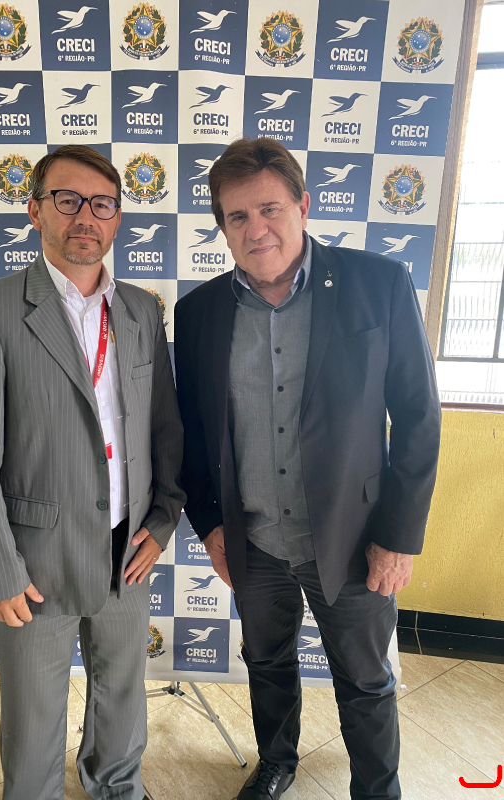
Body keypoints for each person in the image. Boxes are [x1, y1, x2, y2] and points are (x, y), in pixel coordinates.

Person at [174, 138, 441, 800]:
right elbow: (193, 434)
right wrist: (210, 525)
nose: (255, 229)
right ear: (222, 227)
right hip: (255, 541)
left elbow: (417, 417)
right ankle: (276, 762)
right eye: (237, 216)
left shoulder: (378, 284)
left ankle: (375, 789)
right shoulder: (198, 313)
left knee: (365, 679)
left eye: (269, 208)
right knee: (266, 661)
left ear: (302, 205)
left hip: (355, 539)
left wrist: (399, 537)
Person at [0, 144, 184, 800]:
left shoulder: (141, 310)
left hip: (126, 552)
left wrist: (163, 521)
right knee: (32, 723)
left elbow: (165, 428)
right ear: (35, 211)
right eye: (68, 199)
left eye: (102, 204)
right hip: (34, 561)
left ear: (117, 219)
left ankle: (115, 786)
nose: (86, 216)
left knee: (122, 703)